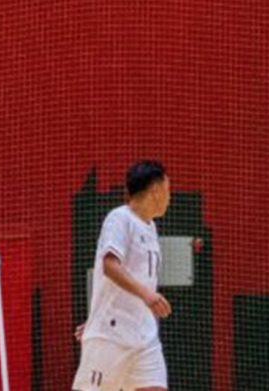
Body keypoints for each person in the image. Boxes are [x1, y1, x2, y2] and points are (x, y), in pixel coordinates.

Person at [72, 160, 173, 391]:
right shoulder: (119, 219)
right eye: (168, 189)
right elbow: (110, 265)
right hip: (111, 335)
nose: (170, 196)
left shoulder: (151, 228)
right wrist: (147, 295)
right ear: (155, 191)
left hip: (144, 336)